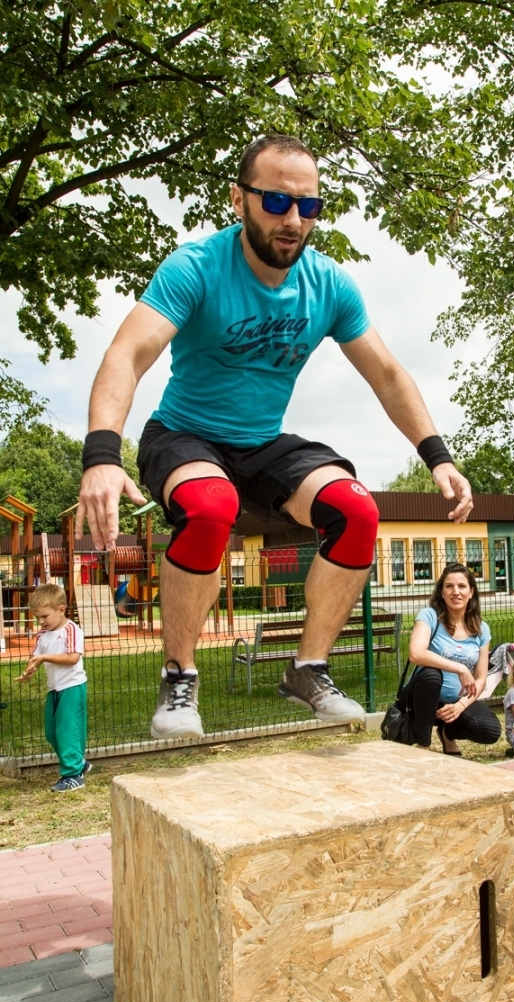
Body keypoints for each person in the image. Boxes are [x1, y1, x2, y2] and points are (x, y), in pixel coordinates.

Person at [75, 134, 472, 740]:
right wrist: (102, 454)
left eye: (308, 207)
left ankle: (307, 669)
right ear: (240, 200)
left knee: (356, 511)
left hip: (262, 444)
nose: (293, 221)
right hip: (184, 434)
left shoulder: (329, 285)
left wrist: (437, 456)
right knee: (212, 507)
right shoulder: (196, 267)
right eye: (277, 202)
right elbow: (127, 355)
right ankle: (179, 676)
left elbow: (389, 375)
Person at [405, 563, 501, 755]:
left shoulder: (482, 629)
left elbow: (481, 679)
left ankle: (447, 733)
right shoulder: (429, 616)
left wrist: (460, 705)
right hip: (420, 701)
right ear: (442, 592)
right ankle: (423, 745)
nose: (455, 592)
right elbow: (416, 653)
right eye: (449, 586)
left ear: (471, 592)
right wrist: (460, 668)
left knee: (490, 730)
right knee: (431, 674)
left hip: (454, 703)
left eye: (462, 586)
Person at [16, 584, 91, 792]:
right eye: (37, 617)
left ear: (61, 609)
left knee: (67, 732)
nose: (41, 621)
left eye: (44, 616)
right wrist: (28, 672)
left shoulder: (71, 630)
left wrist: (44, 658)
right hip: (54, 689)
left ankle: (73, 775)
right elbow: (35, 658)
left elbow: (72, 658)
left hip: (72, 687)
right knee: (52, 732)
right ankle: (78, 762)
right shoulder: (43, 634)